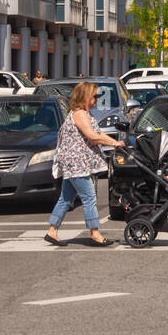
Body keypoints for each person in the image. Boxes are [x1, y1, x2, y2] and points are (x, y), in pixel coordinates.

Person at [45, 81, 123, 247]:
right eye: (94, 96)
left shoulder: (86, 114)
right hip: (76, 163)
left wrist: (116, 142)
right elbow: (92, 136)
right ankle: (95, 233)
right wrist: (115, 144)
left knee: (66, 198)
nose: (97, 100)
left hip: (75, 163)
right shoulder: (79, 114)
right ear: (86, 97)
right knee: (89, 198)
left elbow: (99, 133)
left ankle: (52, 230)